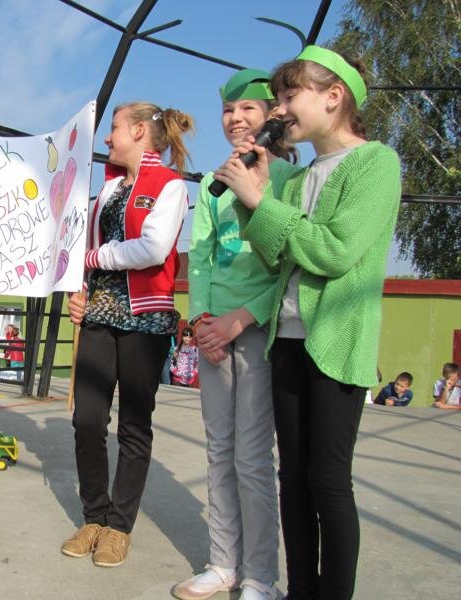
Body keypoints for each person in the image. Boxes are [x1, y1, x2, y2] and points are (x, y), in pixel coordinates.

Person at [215, 46, 401, 599]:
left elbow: (335, 252)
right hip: (288, 341)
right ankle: (300, 590)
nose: (278, 110)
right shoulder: (296, 181)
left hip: (337, 342)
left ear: (334, 96)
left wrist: (262, 204)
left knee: (328, 480)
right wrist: (252, 197)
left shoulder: (376, 164)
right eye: (277, 99)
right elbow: (276, 255)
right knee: (292, 478)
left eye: (289, 96)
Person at [173, 68, 299, 600]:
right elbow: (201, 256)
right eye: (228, 110)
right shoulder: (212, 183)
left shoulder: (290, 179)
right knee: (219, 451)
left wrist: (240, 320)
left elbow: (289, 265)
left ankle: (260, 576)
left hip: (258, 330)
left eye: (248, 108)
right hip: (212, 336)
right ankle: (223, 561)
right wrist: (202, 320)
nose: (235, 119)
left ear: (272, 115)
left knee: (251, 457)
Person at [62, 101, 194, 568]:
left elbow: (153, 248)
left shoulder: (170, 185)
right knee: (86, 419)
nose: (106, 138)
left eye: (114, 128)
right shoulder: (109, 189)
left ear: (138, 131)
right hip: (98, 313)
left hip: (146, 319)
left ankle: (119, 527)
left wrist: (95, 260)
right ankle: (93, 517)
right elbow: (84, 247)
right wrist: (78, 288)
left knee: (134, 426)